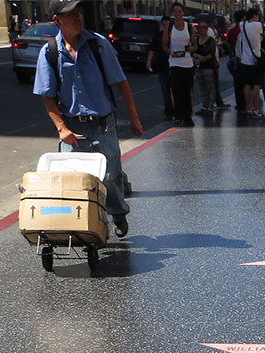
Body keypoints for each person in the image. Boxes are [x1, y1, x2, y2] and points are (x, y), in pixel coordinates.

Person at [34, 0, 143, 237]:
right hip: (72, 128)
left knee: (110, 176)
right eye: (70, 14)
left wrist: (134, 119)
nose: (78, 18)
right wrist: (61, 128)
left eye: (78, 13)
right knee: (73, 180)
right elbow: (47, 96)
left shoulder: (98, 44)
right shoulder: (50, 52)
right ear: (57, 20)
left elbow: (121, 83)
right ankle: (80, 225)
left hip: (102, 124)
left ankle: (119, 215)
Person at [161, 2, 196, 126]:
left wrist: (190, 49)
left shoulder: (189, 27)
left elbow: (195, 45)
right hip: (174, 63)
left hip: (187, 63)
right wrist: (171, 52)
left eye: (179, 11)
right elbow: (164, 45)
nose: (177, 14)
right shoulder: (169, 27)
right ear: (172, 13)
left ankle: (188, 116)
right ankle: (178, 115)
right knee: (176, 90)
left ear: (183, 12)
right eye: (175, 11)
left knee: (188, 91)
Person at [236, 7, 264, 119]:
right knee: (256, 85)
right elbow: (261, 37)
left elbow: (243, 21)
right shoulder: (258, 25)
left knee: (247, 85)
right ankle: (256, 109)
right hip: (256, 59)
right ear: (255, 16)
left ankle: (248, 108)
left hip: (245, 60)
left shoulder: (242, 25)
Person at [145, 20, 173, 120]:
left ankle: (178, 110)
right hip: (162, 66)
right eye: (164, 24)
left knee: (176, 89)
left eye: (167, 24)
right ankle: (168, 111)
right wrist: (148, 62)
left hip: (175, 66)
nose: (166, 26)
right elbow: (152, 49)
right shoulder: (158, 36)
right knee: (165, 90)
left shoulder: (174, 35)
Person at [192, 20, 218, 117]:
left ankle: (210, 108)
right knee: (203, 89)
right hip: (199, 67)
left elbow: (211, 54)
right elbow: (192, 51)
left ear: (207, 29)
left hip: (208, 67)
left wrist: (202, 59)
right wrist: (199, 58)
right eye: (200, 27)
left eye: (204, 27)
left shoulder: (211, 40)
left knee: (211, 88)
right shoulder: (196, 40)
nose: (202, 29)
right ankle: (204, 107)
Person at [226, 10, 246, 111]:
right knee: (246, 83)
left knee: (237, 84)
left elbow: (228, 44)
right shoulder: (245, 29)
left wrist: (231, 55)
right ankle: (247, 102)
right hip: (246, 59)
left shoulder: (232, 30)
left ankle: (240, 104)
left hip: (236, 59)